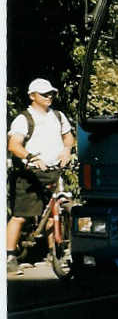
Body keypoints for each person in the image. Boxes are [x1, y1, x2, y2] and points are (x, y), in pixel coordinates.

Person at [7, 79, 74, 274]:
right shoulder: (24, 118)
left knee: (55, 215)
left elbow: (68, 137)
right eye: (44, 94)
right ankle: (9, 256)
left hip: (53, 171)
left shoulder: (58, 116)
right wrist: (30, 157)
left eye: (51, 93)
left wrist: (67, 150)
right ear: (32, 96)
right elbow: (14, 145)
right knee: (20, 216)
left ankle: (54, 254)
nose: (49, 97)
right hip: (30, 175)